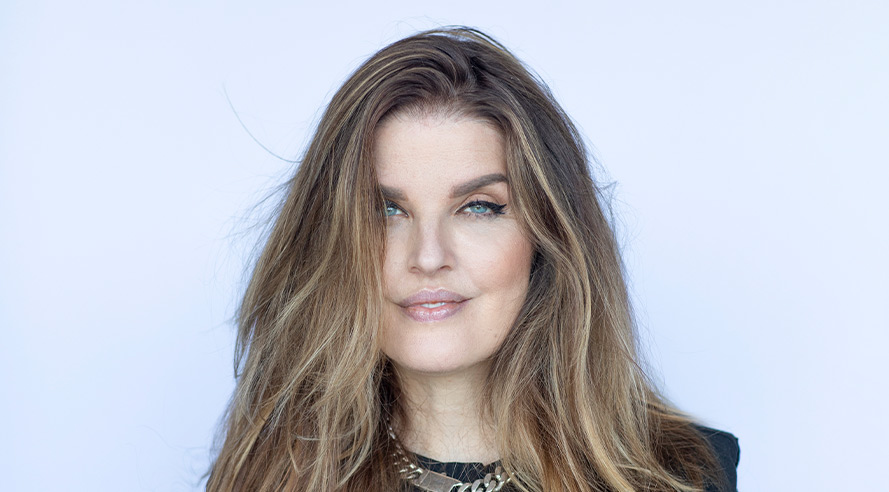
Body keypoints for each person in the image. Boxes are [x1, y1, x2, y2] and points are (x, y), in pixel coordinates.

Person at [206, 27, 740, 491]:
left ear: (548, 235)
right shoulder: (270, 475)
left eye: (478, 207)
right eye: (385, 210)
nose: (428, 256)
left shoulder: (683, 475)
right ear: (328, 240)